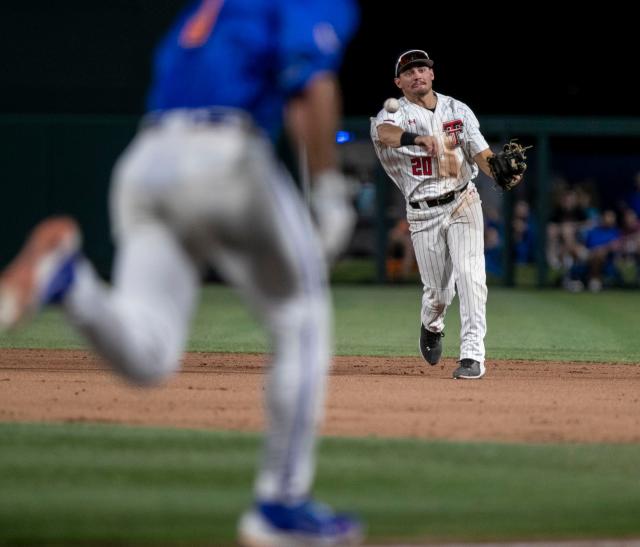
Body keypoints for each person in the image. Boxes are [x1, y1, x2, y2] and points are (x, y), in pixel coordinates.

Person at [0, 1, 362, 545]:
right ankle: (280, 505)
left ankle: (72, 280)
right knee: (300, 314)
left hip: (145, 161)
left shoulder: (209, 9)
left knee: (149, 356)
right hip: (225, 154)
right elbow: (312, 85)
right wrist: (331, 192)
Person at [370, 49, 522, 380]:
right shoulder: (392, 114)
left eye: (422, 68)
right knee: (439, 294)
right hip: (423, 214)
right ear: (399, 82)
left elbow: (481, 154)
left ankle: (472, 355)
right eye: (409, 72)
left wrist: (497, 171)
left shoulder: (458, 110)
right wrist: (418, 138)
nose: (417, 74)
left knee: (471, 276)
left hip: (463, 201)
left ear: (433, 74)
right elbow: (385, 135)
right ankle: (432, 324)